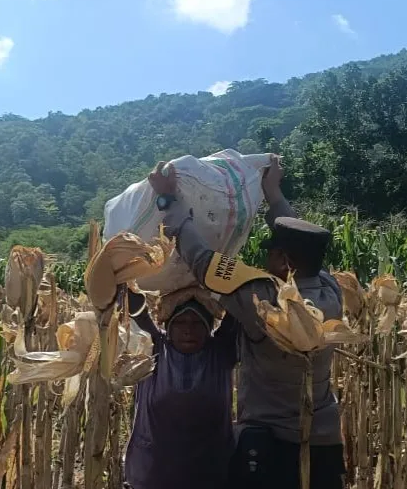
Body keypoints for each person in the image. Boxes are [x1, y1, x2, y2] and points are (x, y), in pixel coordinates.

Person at [148, 156, 346, 488]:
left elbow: (202, 261)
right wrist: (273, 192)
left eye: (272, 252)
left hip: (271, 449)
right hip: (324, 443)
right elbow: (302, 243)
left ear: (283, 260)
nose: (265, 258)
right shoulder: (331, 290)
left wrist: (170, 202)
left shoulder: (263, 298)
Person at [123, 290, 239, 489]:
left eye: (197, 323)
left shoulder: (220, 352)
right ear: (168, 327)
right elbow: (136, 310)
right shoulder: (153, 349)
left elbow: (238, 310)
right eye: (180, 323)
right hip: (155, 474)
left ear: (208, 327)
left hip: (210, 474)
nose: (188, 331)